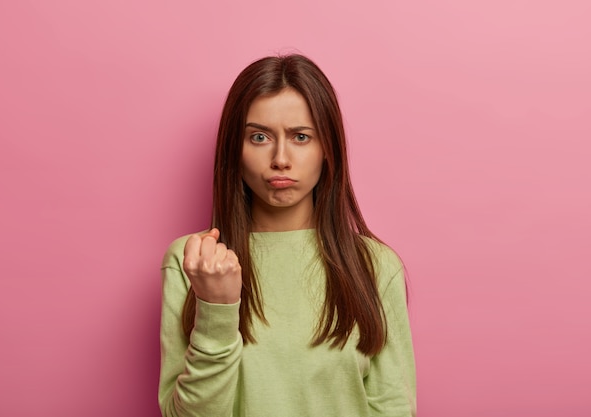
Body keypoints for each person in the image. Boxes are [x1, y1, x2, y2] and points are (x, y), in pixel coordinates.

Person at [159, 54, 416, 417]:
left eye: (300, 136)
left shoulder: (374, 265)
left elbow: (393, 407)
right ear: (236, 148)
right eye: (259, 136)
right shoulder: (192, 261)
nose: (281, 158)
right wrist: (217, 309)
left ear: (327, 148)